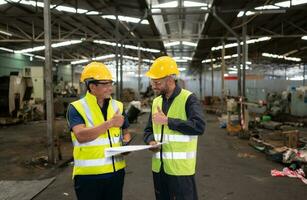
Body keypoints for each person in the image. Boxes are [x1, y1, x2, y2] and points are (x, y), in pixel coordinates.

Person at [67, 61, 131, 200]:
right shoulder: (76, 107)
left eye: (111, 83)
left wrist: (126, 143)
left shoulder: (118, 106)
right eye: (105, 84)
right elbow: (81, 135)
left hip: (116, 173)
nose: (110, 88)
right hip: (89, 176)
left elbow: (126, 132)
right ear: (92, 86)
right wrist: (109, 124)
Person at [143, 56, 205, 200]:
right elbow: (148, 130)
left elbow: (199, 126)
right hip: (159, 168)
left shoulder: (188, 99)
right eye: (152, 82)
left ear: (169, 80)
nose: (153, 86)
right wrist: (151, 141)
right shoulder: (156, 101)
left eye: (157, 82)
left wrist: (168, 121)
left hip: (180, 170)